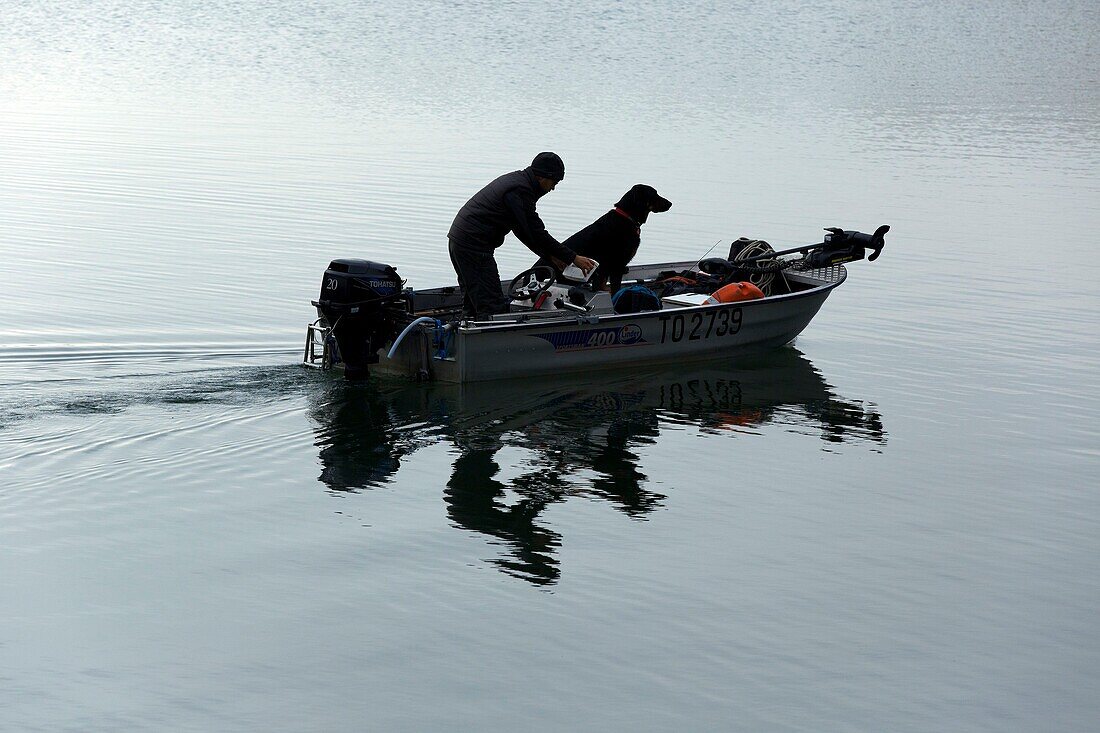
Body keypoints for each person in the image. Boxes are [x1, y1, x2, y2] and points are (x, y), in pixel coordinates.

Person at [448, 152, 596, 319]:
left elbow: (523, 231)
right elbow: (536, 232)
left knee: (473, 298)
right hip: (473, 245)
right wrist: (573, 257)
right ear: (542, 177)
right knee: (492, 305)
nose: (553, 188)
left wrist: (550, 256)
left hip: (460, 240)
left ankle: (466, 332)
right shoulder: (521, 190)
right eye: (554, 182)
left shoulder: (519, 183)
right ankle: (490, 339)